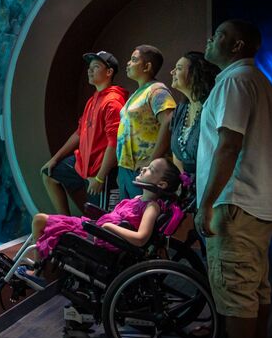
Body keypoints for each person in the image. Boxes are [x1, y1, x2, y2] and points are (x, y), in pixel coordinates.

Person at [191, 20, 272, 338]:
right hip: (261, 202)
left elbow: (228, 145)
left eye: (216, 36)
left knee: (235, 294)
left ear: (236, 44)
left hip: (236, 203)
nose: (209, 39)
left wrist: (206, 202)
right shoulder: (259, 81)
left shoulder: (233, 82)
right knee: (257, 289)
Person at [30, 157, 182, 258]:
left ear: (161, 185)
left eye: (150, 169)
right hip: (98, 231)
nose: (143, 168)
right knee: (41, 220)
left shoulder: (151, 208)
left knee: (39, 220)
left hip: (103, 239)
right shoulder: (137, 199)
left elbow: (141, 239)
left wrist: (109, 227)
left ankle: (37, 269)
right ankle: (39, 266)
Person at [41, 51, 128, 215]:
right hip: (83, 163)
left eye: (95, 67)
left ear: (109, 72)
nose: (90, 70)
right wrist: (55, 159)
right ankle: (65, 222)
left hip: (102, 172)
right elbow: (79, 133)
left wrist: (100, 177)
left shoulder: (113, 102)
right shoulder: (93, 99)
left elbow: (115, 143)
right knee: (49, 174)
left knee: (101, 222)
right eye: (89, 67)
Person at [115, 45, 176, 201]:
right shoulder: (138, 92)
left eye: (134, 60)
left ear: (147, 66)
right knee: (127, 216)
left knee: (143, 218)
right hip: (127, 169)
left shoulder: (157, 90)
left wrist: (151, 161)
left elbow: (169, 120)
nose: (128, 63)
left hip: (144, 170)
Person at [169, 50, 221, 182]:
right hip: (187, 189)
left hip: (210, 183)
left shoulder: (211, 107)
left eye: (179, 68)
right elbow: (177, 154)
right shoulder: (180, 109)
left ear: (195, 74)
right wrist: (183, 181)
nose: (172, 72)